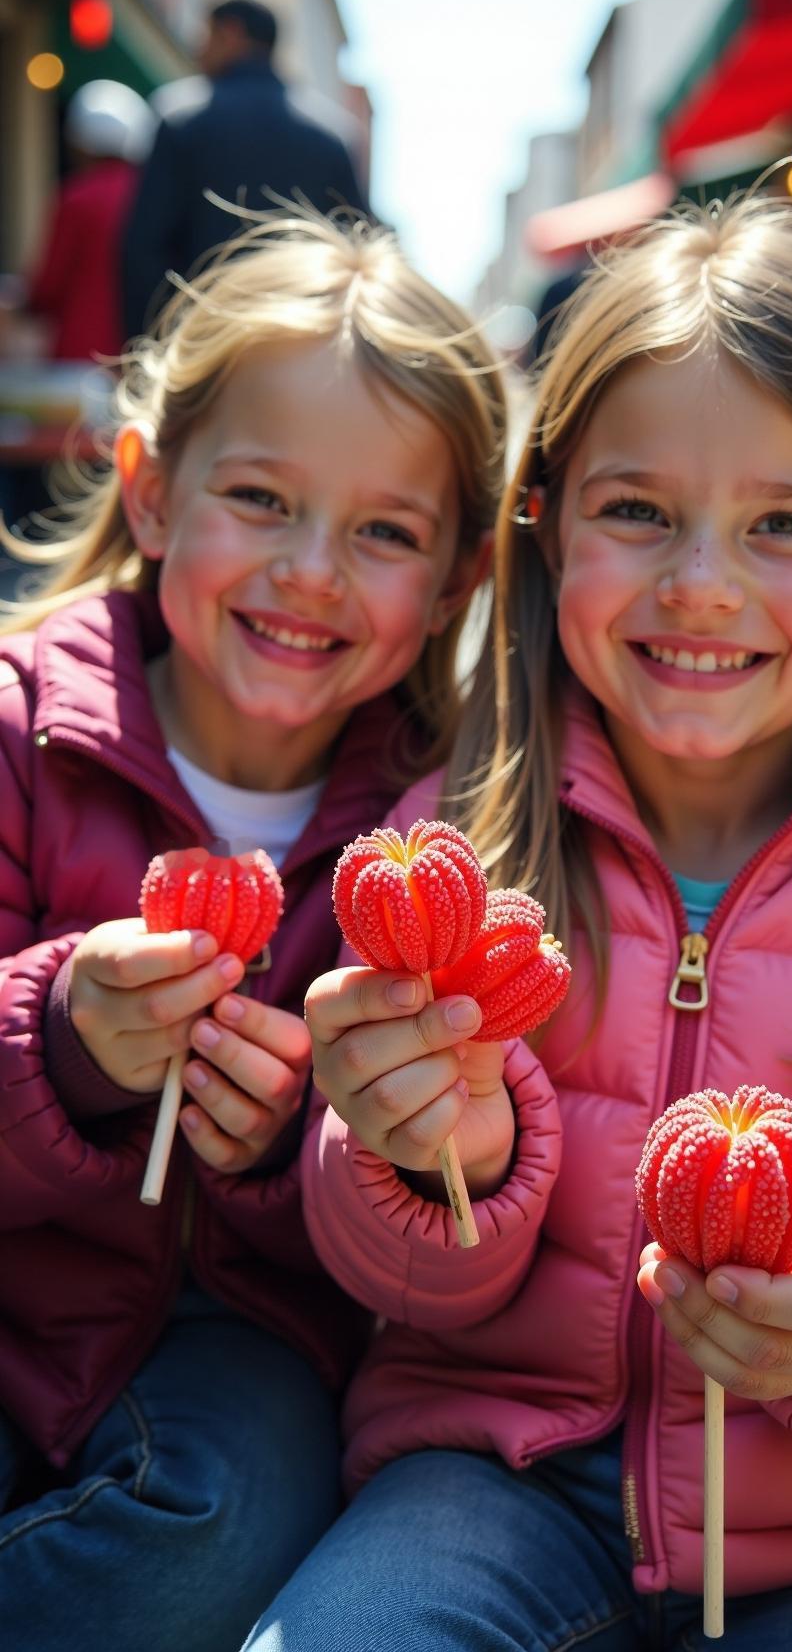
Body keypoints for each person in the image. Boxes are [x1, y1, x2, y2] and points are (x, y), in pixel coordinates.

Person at [260, 187, 792, 1651]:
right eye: (637, 512)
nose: (701, 585)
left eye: (784, 522)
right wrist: (429, 1157)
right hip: (485, 1477)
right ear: (546, 529)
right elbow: (385, 1274)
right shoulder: (448, 849)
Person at [0, 210, 505, 1652]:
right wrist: (65, 1044)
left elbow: (419, 1229)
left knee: (210, 1538)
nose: (311, 570)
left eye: (385, 532)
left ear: (457, 581)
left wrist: (300, 1144)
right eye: (262, 499)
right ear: (152, 492)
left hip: (250, 1338)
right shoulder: (23, 734)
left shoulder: (438, 829)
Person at [121, 0, 373, 338]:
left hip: (201, 337)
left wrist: (153, 342)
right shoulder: (332, 136)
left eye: (206, 35)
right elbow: (358, 245)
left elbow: (145, 250)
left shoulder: (182, 122)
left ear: (231, 33)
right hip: (300, 337)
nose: (198, 48)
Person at [26, 78, 155, 359]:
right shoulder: (155, 195)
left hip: (82, 351)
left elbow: (48, 287)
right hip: (145, 349)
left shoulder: (78, 198)